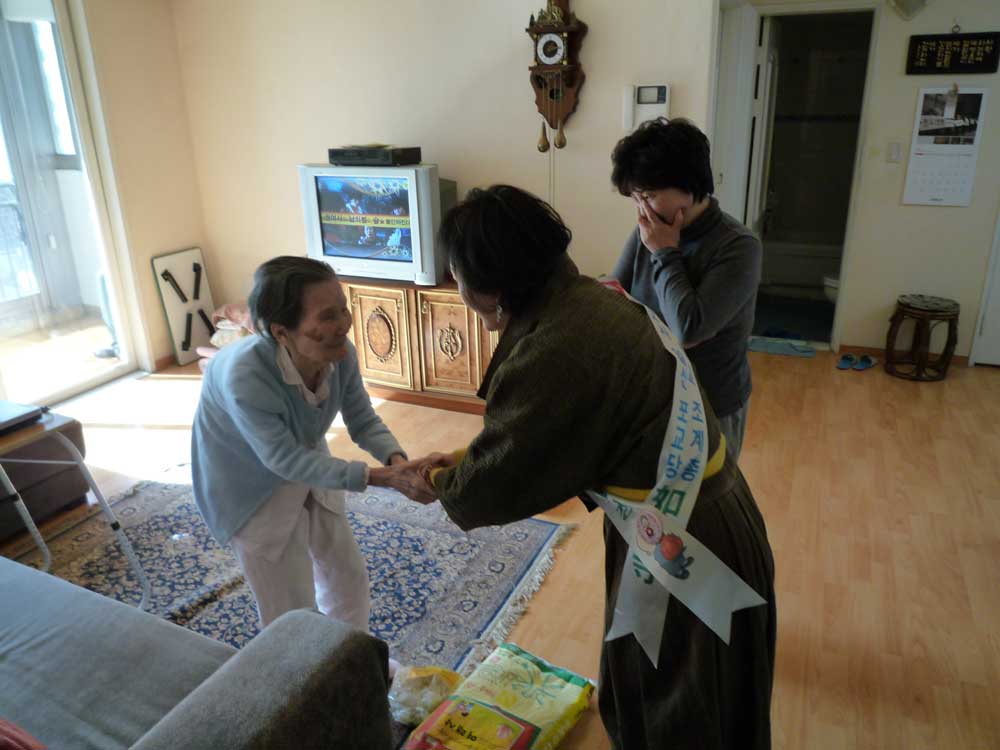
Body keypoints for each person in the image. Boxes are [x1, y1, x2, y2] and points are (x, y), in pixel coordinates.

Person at [420, 185, 776, 749]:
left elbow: (487, 488)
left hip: (688, 541)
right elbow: (554, 434)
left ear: (491, 286)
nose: (456, 286)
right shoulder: (589, 300)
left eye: (457, 274)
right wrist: (465, 458)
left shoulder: (554, 347)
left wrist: (439, 481)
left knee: (680, 711)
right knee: (688, 695)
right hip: (697, 514)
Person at [191, 256, 435, 633]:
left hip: (304, 455)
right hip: (245, 484)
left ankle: (352, 657)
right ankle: (301, 668)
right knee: (291, 609)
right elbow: (284, 459)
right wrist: (382, 478)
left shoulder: (340, 354)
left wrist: (399, 463)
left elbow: (362, 419)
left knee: (347, 574)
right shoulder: (244, 375)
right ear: (281, 332)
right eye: (327, 316)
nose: (343, 324)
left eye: (343, 309)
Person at [610, 118, 761, 460]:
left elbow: (688, 329)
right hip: (651, 393)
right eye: (635, 198)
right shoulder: (648, 230)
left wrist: (665, 252)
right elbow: (614, 296)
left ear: (689, 187)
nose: (641, 210)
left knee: (707, 492)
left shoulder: (739, 246)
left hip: (711, 402)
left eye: (649, 196)